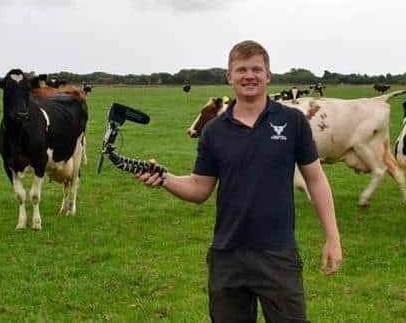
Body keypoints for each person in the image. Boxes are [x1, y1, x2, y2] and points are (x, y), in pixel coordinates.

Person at [136, 40, 342, 322]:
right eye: (241, 69)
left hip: (278, 254)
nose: (249, 75)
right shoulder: (214, 132)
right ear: (229, 76)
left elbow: (316, 180)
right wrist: (165, 178)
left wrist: (332, 238)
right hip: (227, 255)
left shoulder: (292, 121)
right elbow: (199, 188)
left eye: (257, 69)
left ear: (268, 76)